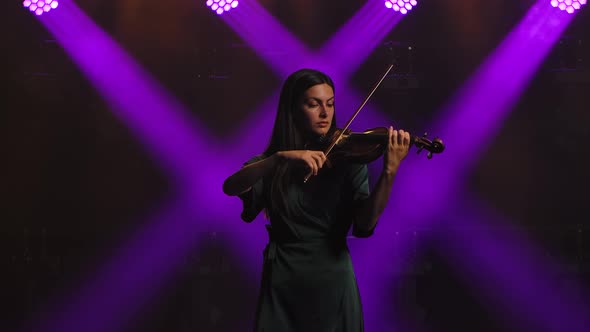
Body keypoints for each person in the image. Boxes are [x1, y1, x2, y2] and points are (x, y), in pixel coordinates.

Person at [222, 68, 410, 331]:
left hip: (333, 281)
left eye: (330, 104)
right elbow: (230, 186)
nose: (325, 113)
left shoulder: (349, 160)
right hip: (283, 280)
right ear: (293, 109)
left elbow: (365, 225)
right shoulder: (273, 163)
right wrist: (278, 159)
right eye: (314, 104)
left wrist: (389, 172)